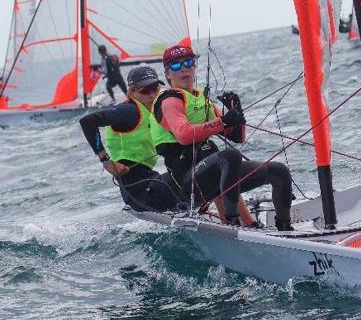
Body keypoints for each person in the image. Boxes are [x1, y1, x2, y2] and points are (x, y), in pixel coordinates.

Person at [150, 44, 294, 230]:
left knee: (278, 170)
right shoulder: (169, 100)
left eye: (188, 62)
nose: (184, 68)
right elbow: (184, 135)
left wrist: (236, 113)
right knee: (230, 156)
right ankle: (232, 223)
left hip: (219, 172)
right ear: (168, 74)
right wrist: (223, 121)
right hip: (189, 181)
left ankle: (284, 227)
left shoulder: (201, 99)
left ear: (195, 66)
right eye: (176, 66)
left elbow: (236, 137)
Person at [80, 66, 181, 212]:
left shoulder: (154, 109)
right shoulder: (129, 111)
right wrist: (105, 160)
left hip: (149, 179)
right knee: (188, 178)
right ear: (131, 92)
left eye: (155, 88)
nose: (152, 95)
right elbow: (87, 121)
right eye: (145, 90)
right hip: (139, 192)